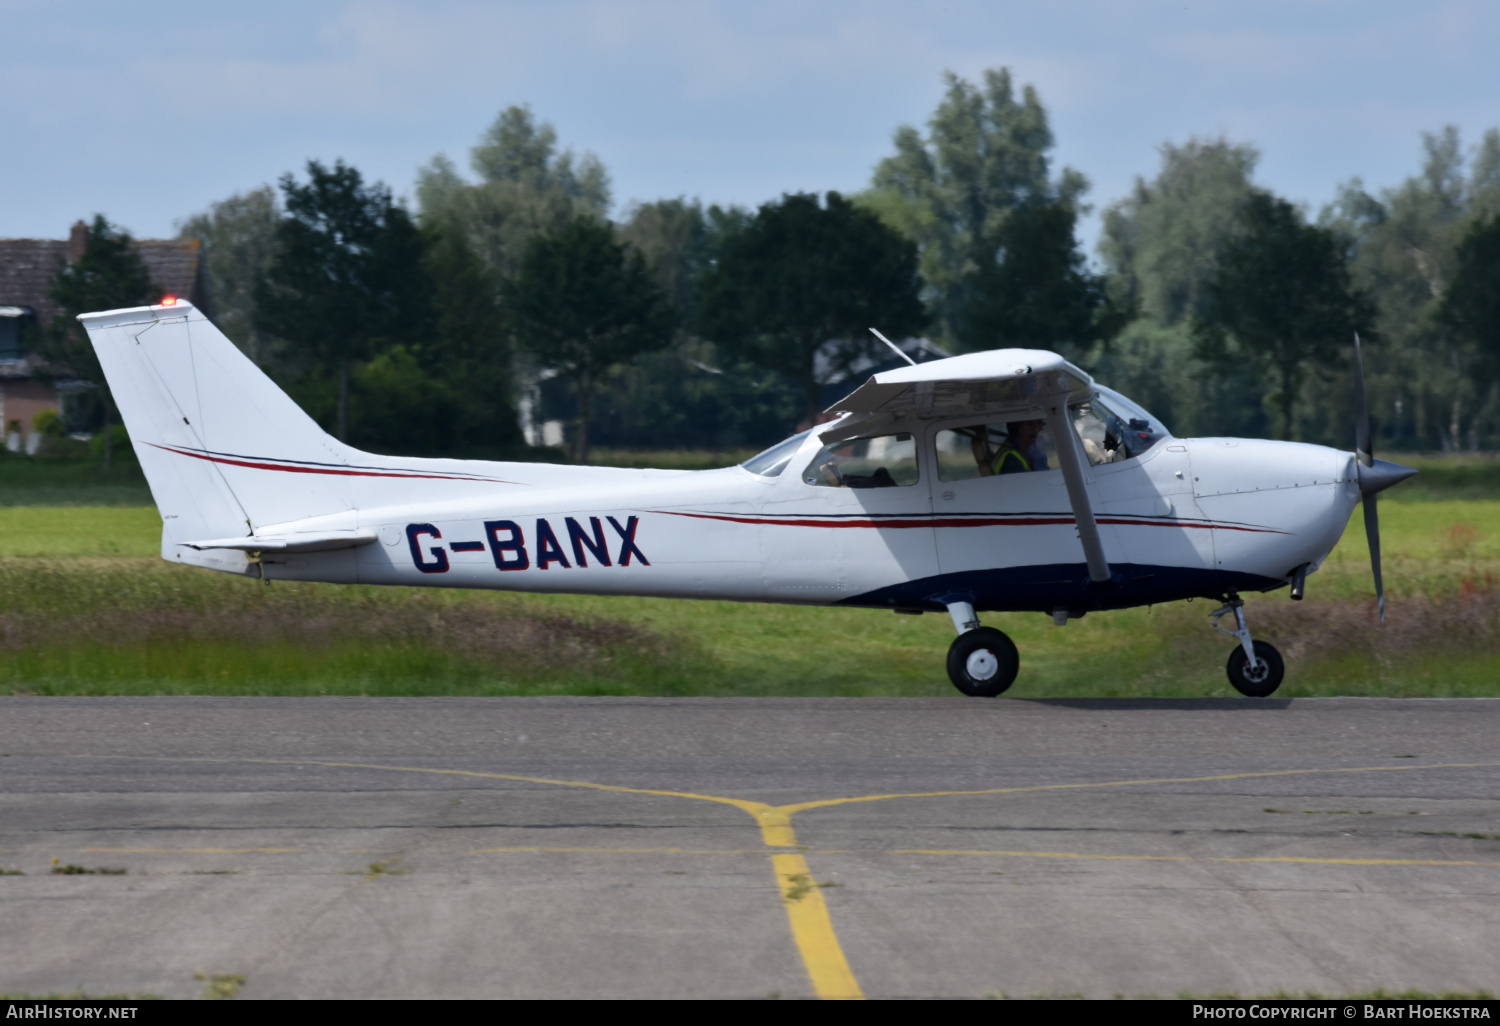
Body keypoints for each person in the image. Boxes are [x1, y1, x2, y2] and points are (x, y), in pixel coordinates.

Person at [972, 419, 1048, 476]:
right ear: (1018, 428)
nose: (1036, 428)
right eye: (1030, 423)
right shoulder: (1011, 459)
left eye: (1038, 423)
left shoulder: (1027, 449)